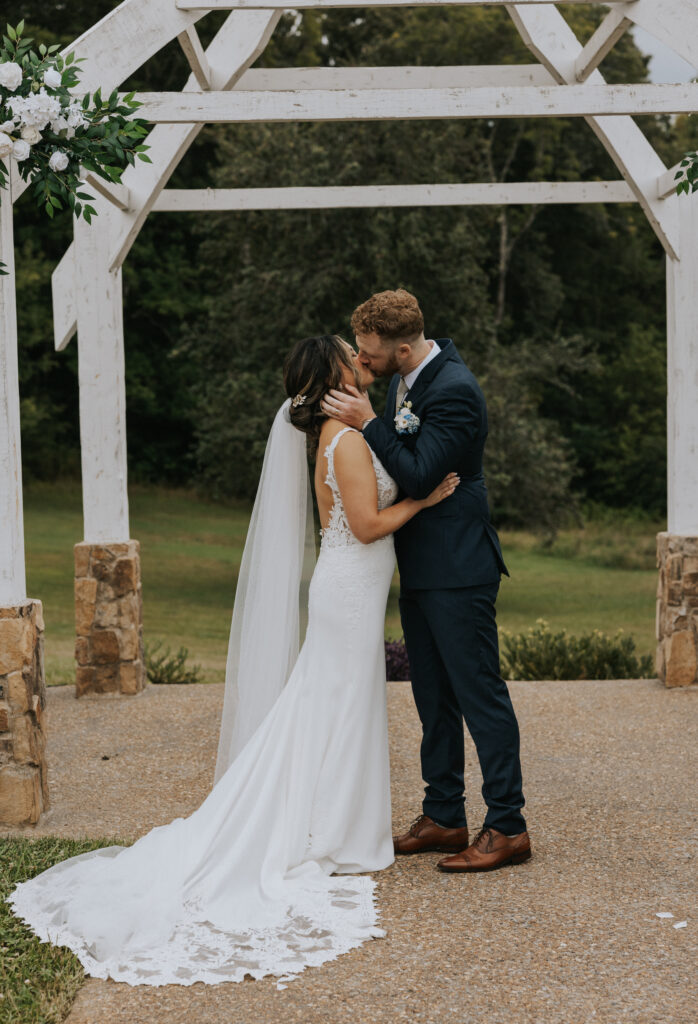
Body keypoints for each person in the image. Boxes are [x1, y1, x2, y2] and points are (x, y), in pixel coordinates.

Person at [6, 333, 456, 987]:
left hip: (349, 590)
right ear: (332, 377)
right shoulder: (349, 438)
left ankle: (335, 828)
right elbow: (363, 525)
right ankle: (332, 838)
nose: (360, 360)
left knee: (330, 707)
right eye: (347, 355)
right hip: (350, 593)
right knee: (339, 707)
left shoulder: (344, 432)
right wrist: (423, 500)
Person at [321, 290, 531, 873]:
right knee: (432, 697)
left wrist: (368, 424)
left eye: (369, 354)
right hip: (420, 567)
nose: (362, 362)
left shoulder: (457, 391)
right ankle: (444, 814)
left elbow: (416, 475)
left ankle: (508, 825)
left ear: (404, 348)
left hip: (460, 569)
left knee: (478, 694)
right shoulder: (404, 381)